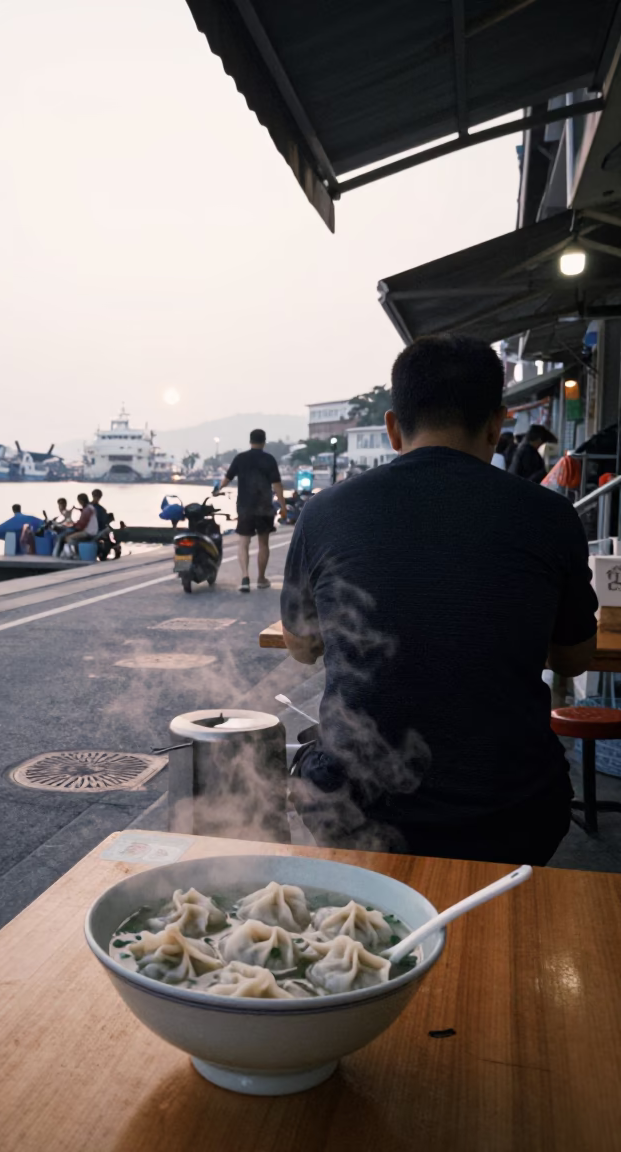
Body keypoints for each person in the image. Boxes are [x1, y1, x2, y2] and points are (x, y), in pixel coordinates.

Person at [281, 333, 597, 866]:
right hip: (509, 816)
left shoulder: (324, 512)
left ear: (392, 427)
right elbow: (572, 658)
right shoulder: (550, 517)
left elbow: (300, 645)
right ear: (497, 424)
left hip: (354, 812)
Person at [216, 428, 287, 592]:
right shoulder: (269, 459)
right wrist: (283, 507)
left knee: (243, 542)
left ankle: (245, 577)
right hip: (264, 508)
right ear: (264, 442)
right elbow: (277, 485)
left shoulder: (240, 458)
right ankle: (261, 579)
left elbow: (227, 479)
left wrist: (218, 490)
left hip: (245, 507)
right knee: (263, 543)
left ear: (250, 441)